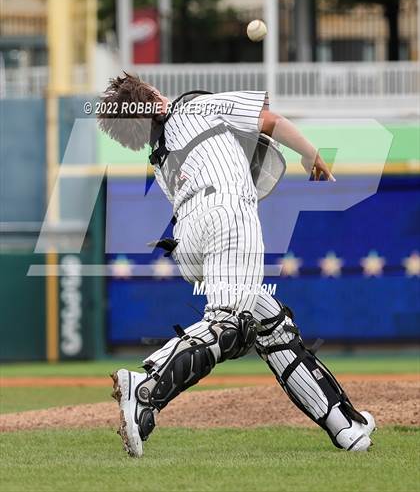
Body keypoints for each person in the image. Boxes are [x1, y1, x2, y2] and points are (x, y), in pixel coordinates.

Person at [98, 73, 375, 458]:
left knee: (272, 326)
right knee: (231, 324)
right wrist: (310, 154)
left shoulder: (158, 156)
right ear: (156, 97)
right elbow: (271, 122)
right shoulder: (195, 105)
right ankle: (146, 388)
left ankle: (345, 424)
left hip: (189, 239)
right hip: (227, 214)